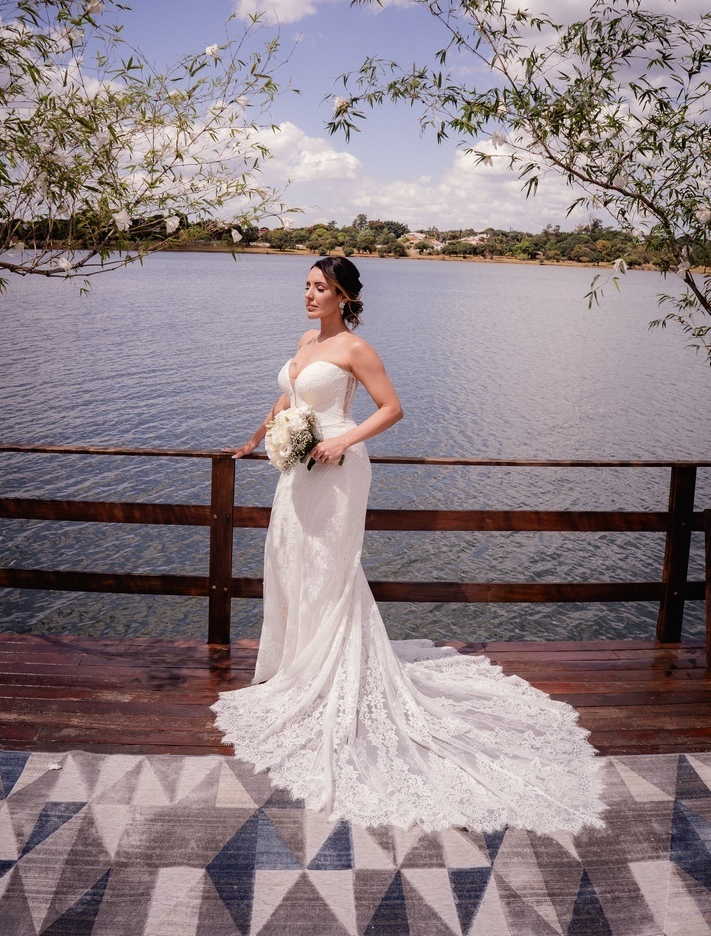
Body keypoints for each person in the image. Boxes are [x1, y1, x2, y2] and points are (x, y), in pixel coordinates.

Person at [212, 257, 605, 834]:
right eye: (307, 285)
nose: (309, 294)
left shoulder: (356, 348)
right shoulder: (302, 340)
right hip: (295, 468)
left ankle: (330, 676)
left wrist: (342, 439)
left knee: (329, 566)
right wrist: (251, 442)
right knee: (288, 557)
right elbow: (288, 402)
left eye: (321, 288)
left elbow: (392, 409)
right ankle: (294, 663)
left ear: (344, 296)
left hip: (339, 467)